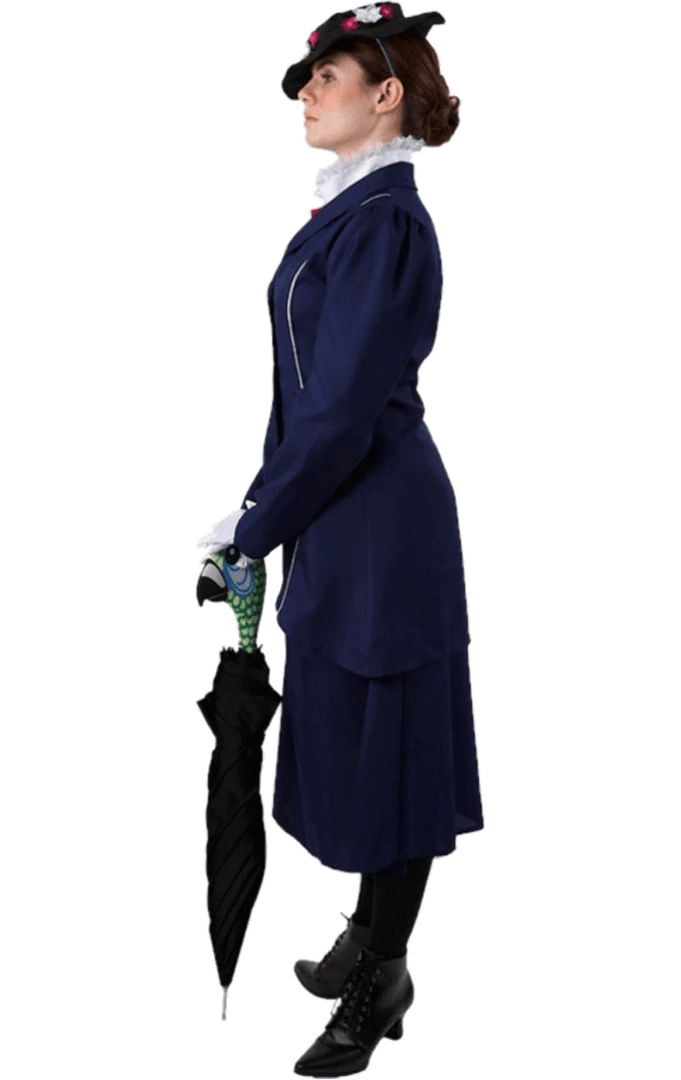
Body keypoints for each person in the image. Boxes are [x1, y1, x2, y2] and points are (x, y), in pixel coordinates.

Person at [206, 4, 483, 1074]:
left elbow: (341, 412)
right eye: (305, 77)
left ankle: (384, 978)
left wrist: (252, 528)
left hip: (381, 524)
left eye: (329, 75)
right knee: (356, 731)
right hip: (338, 510)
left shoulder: (386, 222)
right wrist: (264, 511)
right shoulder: (348, 211)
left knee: (393, 745)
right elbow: (308, 409)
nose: (306, 91)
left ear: (388, 96)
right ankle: (369, 933)